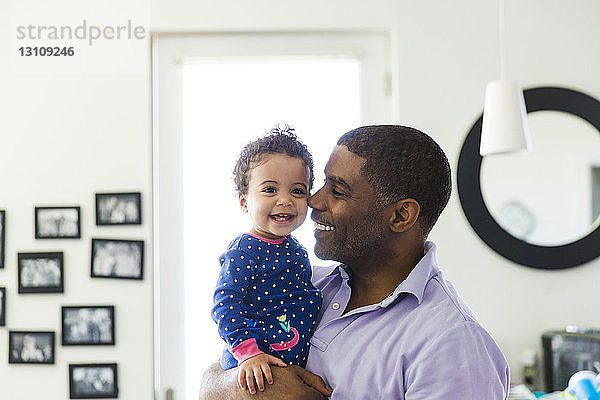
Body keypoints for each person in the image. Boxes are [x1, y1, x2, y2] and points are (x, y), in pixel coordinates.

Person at [200, 125, 510, 400]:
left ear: (400, 216)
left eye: (337, 190)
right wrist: (251, 390)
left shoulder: (452, 344)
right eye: (320, 184)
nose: (313, 200)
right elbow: (211, 380)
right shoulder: (304, 283)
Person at [211, 126, 325, 395]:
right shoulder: (245, 250)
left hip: (287, 361)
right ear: (244, 201)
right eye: (270, 189)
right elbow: (224, 304)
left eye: (297, 191)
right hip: (256, 365)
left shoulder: (296, 250)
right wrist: (247, 353)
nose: (285, 200)